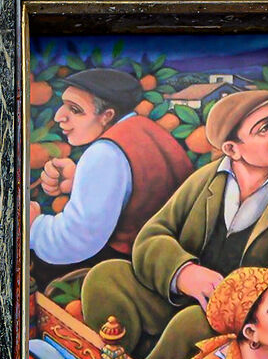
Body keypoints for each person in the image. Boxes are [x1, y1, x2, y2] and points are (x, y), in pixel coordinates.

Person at [76, 89, 268, 359]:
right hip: (183, 297)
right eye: (265, 127)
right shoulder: (209, 179)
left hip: (245, 319)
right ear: (232, 149)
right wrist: (183, 272)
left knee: (193, 324)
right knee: (107, 277)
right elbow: (153, 235)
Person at [26, 68, 194, 270]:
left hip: (133, 268)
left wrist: (34, 226)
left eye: (75, 109)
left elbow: (74, 241)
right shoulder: (146, 128)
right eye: (64, 105)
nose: (59, 116)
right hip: (174, 258)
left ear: (107, 116)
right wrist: (80, 180)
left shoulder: (104, 153)